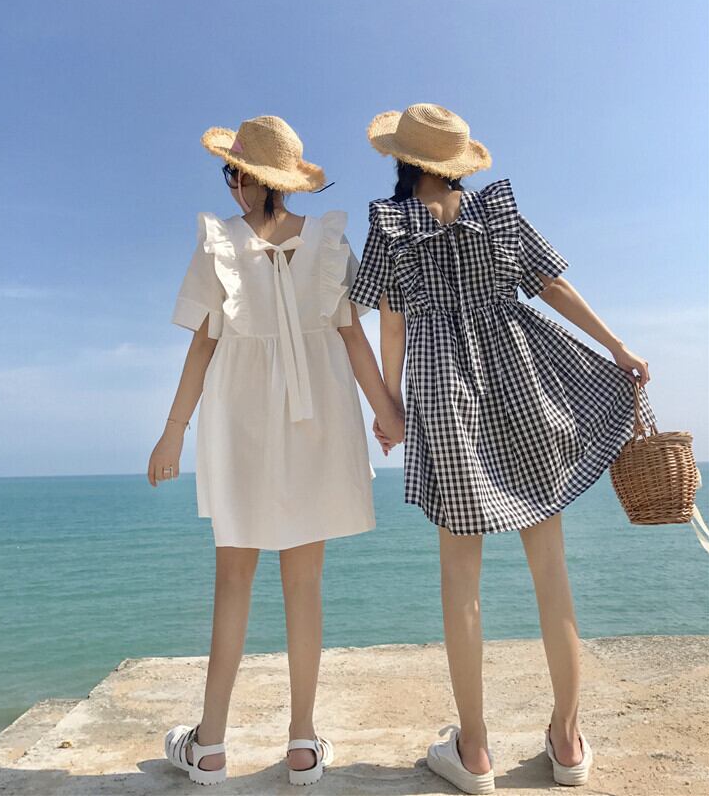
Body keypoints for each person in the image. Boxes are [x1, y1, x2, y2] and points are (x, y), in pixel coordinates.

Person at [349, 103, 656, 795]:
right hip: (523, 381)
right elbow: (553, 287)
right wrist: (618, 347)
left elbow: (390, 324)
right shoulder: (498, 212)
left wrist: (391, 406)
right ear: (457, 161)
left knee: (461, 580)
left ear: (403, 159)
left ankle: (476, 751)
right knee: (552, 572)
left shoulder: (391, 224)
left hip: (444, 395)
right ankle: (568, 742)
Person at [149, 115, 404, 787]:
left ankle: (209, 746)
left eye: (232, 173)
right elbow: (352, 338)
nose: (229, 184)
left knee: (233, 580)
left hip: (241, 421)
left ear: (250, 179)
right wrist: (387, 412)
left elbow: (203, 344)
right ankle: (302, 744)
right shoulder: (327, 242)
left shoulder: (220, 243)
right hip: (317, 417)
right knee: (304, 584)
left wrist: (174, 429)